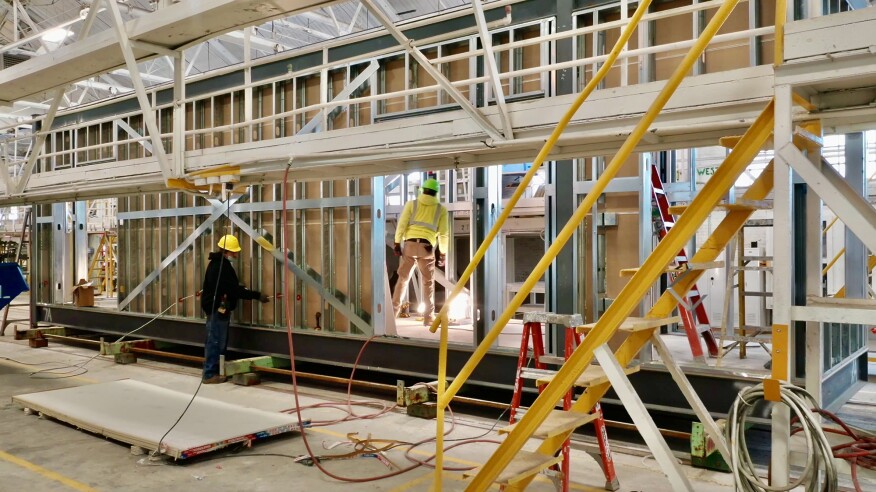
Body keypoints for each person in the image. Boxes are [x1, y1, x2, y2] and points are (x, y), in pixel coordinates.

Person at [201, 234, 269, 384]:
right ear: (226, 251)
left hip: (216, 308)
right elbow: (233, 291)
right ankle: (209, 374)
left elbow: (228, 287)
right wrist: (257, 295)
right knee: (216, 341)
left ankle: (214, 371)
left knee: (216, 341)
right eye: (234, 252)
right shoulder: (221, 267)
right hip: (216, 309)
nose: (236, 254)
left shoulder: (216, 263)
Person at [392, 178, 449, 326]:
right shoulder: (441, 209)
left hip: (410, 245)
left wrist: (397, 243)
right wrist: (442, 253)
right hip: (426, 248)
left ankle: (393, 314)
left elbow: (402, 224)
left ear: (422, 190)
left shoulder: (412, 204)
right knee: (428, 283)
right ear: (437, 193)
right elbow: (444, 234)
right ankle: (428, 318)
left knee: (402, 280)